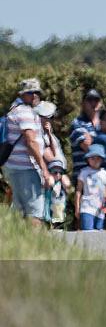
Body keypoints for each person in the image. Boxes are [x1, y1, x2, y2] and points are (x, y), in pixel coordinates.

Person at [2, 78, 53, 227]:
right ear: (23, 94)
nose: (36, 96)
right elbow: (30, 141)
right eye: (31, 92)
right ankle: (37, 247)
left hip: (15, 168)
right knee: (35, 212)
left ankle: (22, 247)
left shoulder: (14, 109)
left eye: (37, 93)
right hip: (26, 169)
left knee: (21, 212)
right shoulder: (24, 112)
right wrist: (44, 170)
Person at [69, 88, 103, 186]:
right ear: (83, 103)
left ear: (100, 102)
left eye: (96, 100)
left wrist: (93, 140)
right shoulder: (77, 123)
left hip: (103, 178)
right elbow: (88, 148)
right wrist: (105, 141)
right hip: (83, 179)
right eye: (89, 100)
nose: (93, 103)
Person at [75, 144, 106, 231]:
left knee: (99, 231)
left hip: (100, 209)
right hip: (87, 207)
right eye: (93, 158)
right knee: (88, 231)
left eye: (98, 158)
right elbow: (78, 190)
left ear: (102, 160)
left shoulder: (105, 174)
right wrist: (77, 207)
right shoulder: (84, 172)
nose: (95, 161)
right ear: (88, 159)